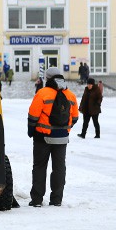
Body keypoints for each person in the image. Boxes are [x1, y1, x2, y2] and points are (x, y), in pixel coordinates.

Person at [27, 67, 79, 207]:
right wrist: (65, 129)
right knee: (59, 168)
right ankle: (56, 199)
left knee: (39, 167)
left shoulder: (42, 93)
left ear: (47, 78)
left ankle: (37, 200)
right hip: (62, 138)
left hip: (42, 137)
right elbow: (75, 117)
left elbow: (33, 116)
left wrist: (31, 131)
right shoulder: (70, 95)